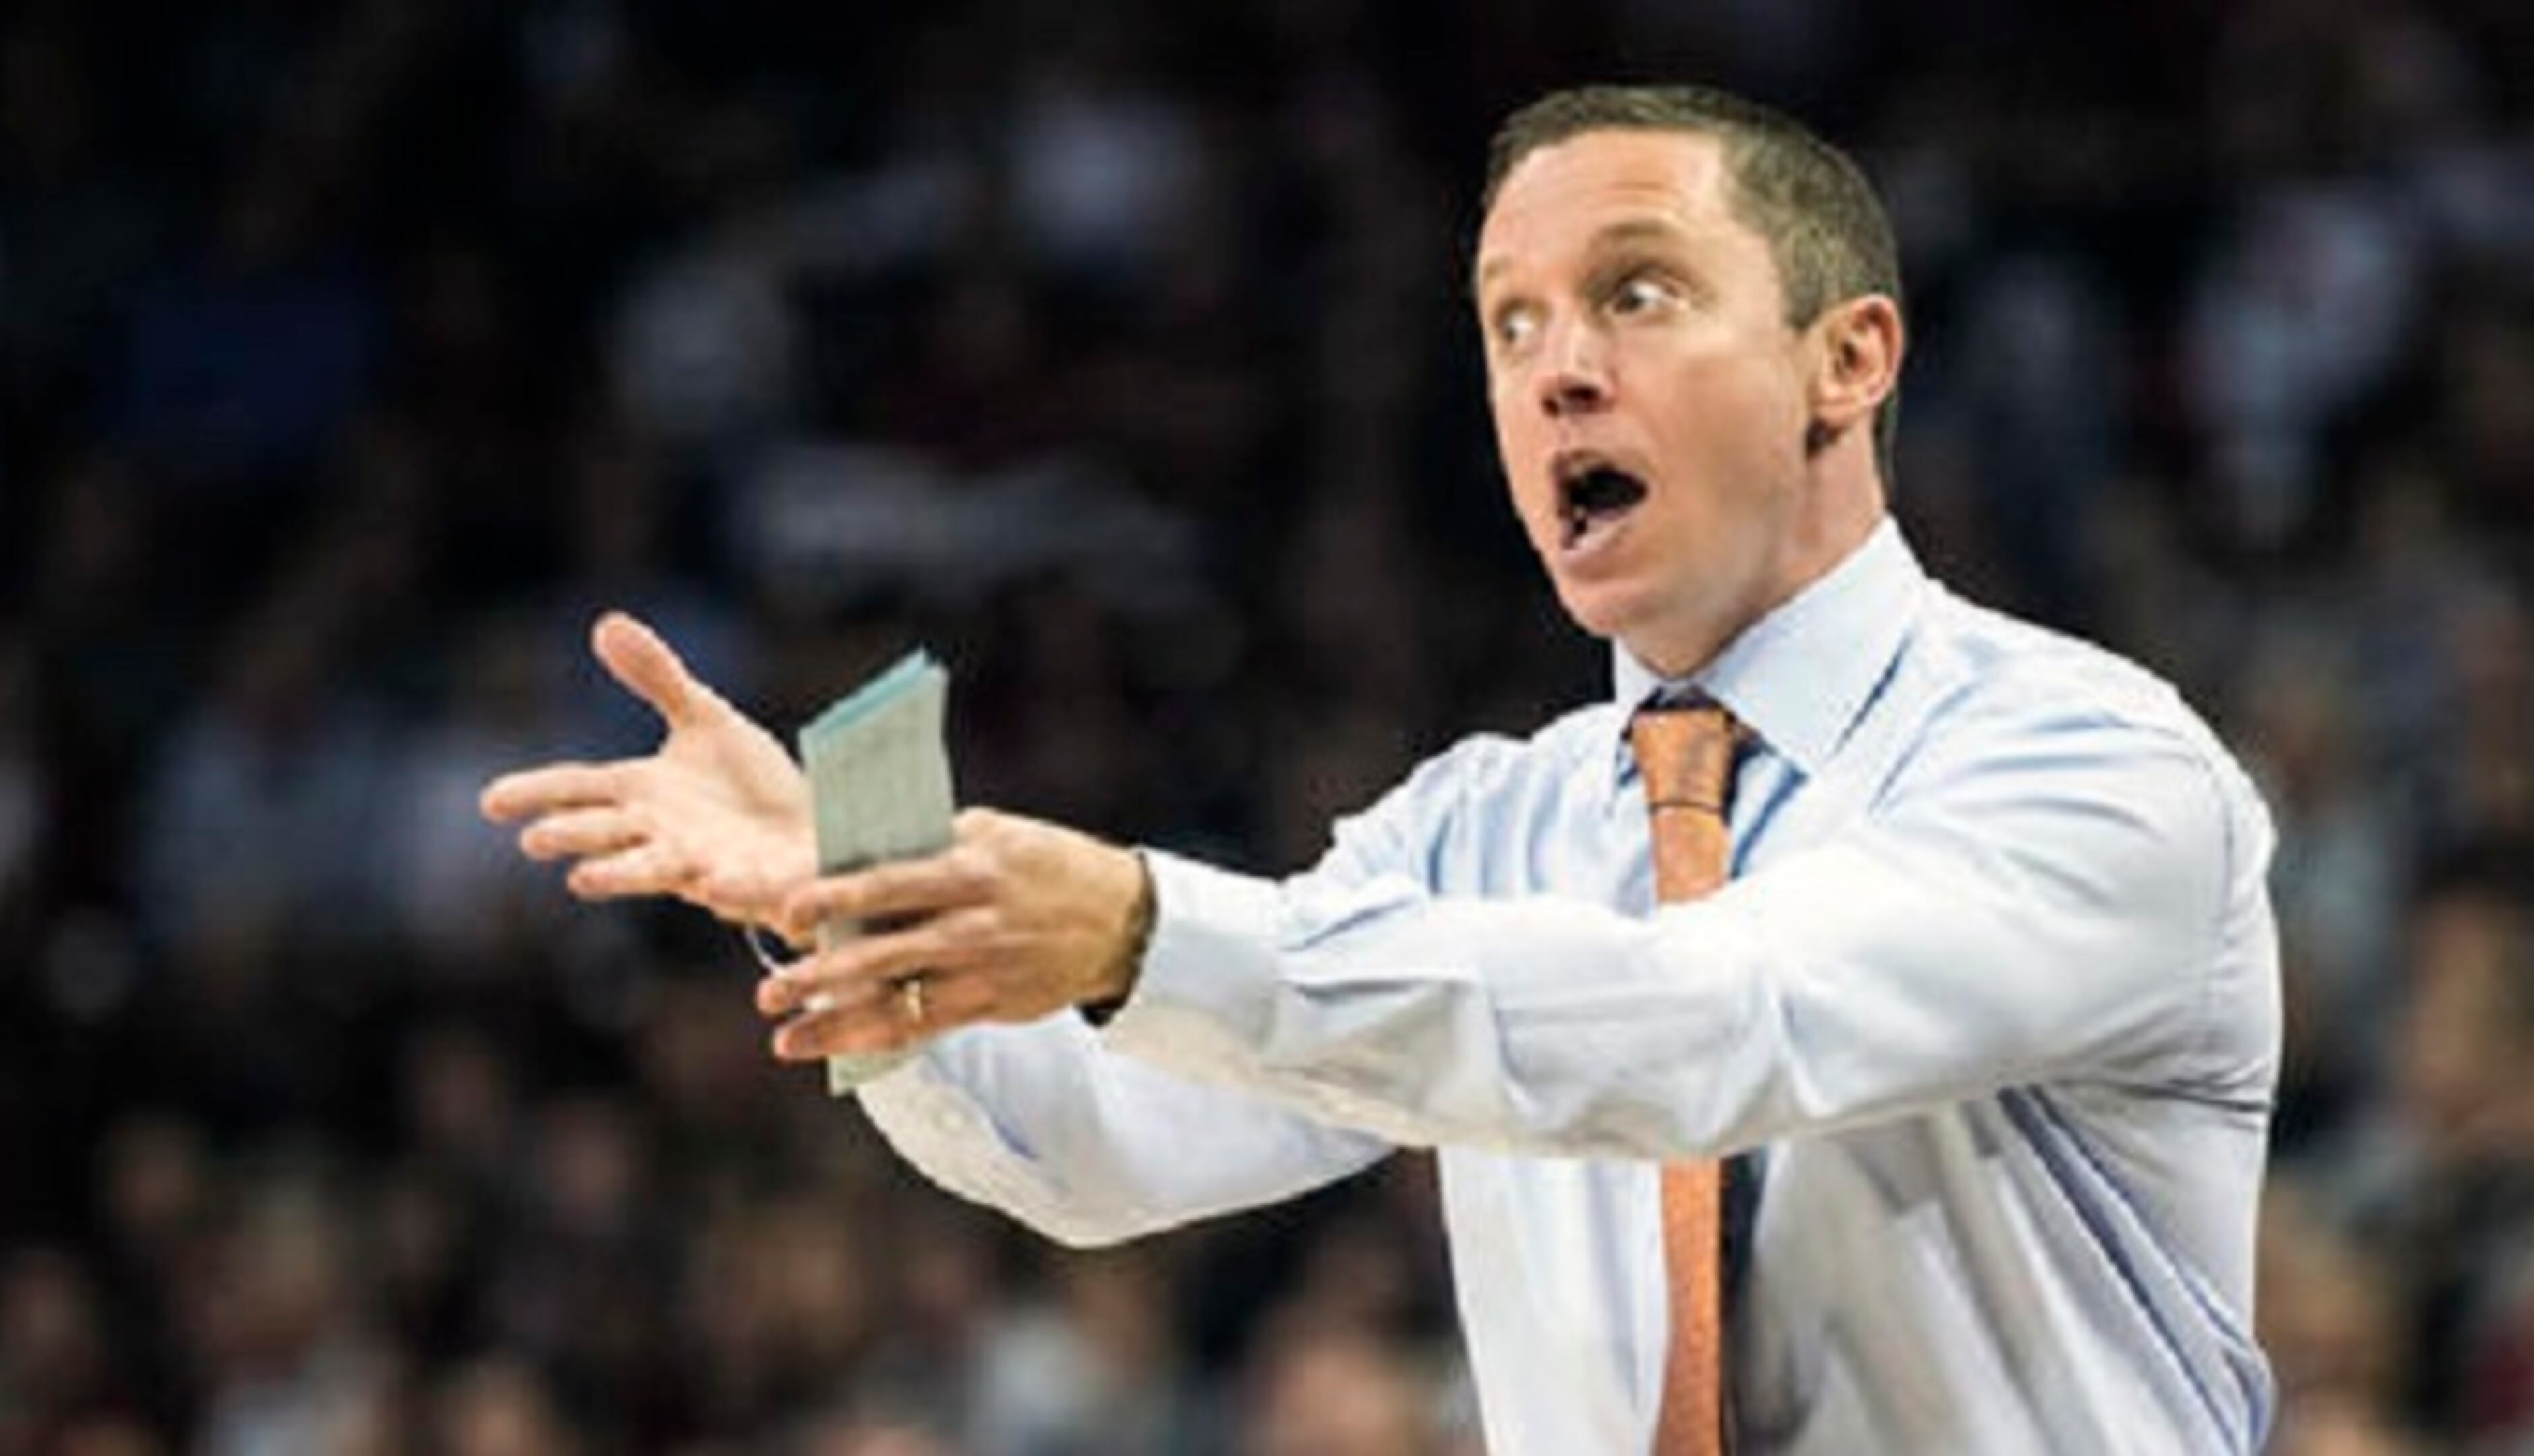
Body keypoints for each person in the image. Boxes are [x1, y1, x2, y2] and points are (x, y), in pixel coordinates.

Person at [481, 84, 2280, 1454]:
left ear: (1848, 359)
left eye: (1636, 293)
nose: (1558, 371)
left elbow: (1712, 1025)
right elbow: (1109, 1145)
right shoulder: (1478, 829)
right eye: (1511, 323)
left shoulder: (2092, 765)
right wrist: (865, 887)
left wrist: (1138, 926)